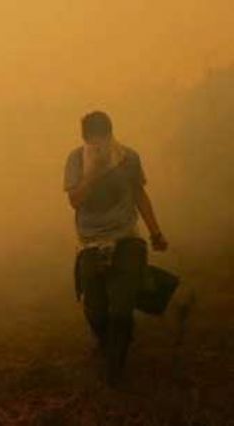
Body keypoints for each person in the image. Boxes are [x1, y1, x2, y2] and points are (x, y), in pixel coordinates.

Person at [63, 111, 168, 385]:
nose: (96, 146)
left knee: (121, 308)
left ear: (111, 135)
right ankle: (109, 343)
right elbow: (75, 200)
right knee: (95, 311)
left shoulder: (128, 158)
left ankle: (115, 370)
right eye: (90, 140)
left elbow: (139, 195)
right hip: (89, 242)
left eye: (101, 139)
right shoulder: (75, 160)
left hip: (126, 238)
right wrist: (93, 173)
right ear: (83, 138)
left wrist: (155, 232)